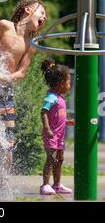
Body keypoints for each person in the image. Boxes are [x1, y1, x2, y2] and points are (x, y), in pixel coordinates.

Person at [0, 0, 47, 193]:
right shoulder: (4, 26)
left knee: (8, 141)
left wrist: (4, 76)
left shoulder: (31, 43)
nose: (45, 17)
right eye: (42, 12)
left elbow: (21, 72)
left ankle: (4, 185)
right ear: (27, 10)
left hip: (6, 93)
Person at [40, 58, 74, 195]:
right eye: (68, 82)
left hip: (59, 135)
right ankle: (45, 185)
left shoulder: (59, 98)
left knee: (60, 159)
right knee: (51, 158)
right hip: (51, 134)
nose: (69, 85)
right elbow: (44, 112)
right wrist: (47, 128)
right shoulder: (51, 97)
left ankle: (57, 185)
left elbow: (57, 116)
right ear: (60, 83)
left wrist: (66, 122)